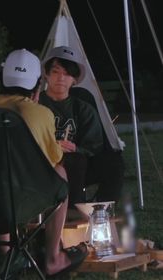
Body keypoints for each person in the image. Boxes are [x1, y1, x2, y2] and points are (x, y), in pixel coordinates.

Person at [0, 48, 87, 277]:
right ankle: (53, 258)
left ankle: (7, 254)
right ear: (38, 85)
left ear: (2, 80)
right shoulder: (39, 114)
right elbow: (53, 161)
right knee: (59, 173)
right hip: (20, 203)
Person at [39, 45, 125, 214]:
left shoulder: (83, 108)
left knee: (113, 164)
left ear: (74, 80)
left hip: (78, 165)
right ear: (47, 75)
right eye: (56, 72)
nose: (61, 78)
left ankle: (101, 213)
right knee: (75, 161)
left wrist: (76, 148)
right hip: (43, 163)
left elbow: (94, 145)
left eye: (67, 74)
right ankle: (71, 214)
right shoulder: (36, 104)